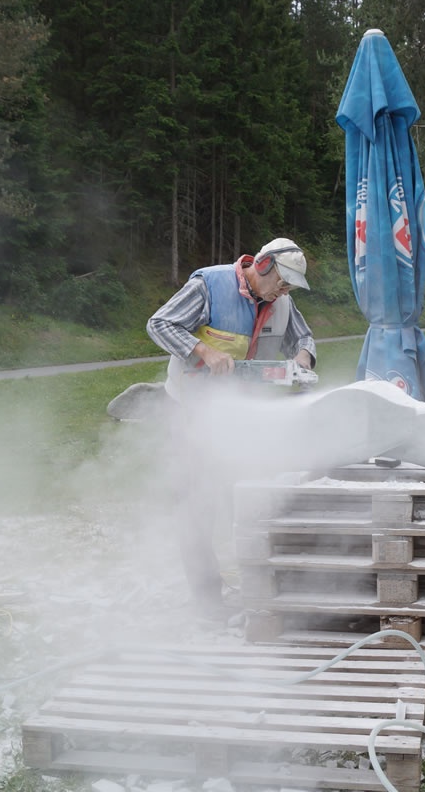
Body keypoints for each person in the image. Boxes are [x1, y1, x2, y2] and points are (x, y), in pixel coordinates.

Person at [145, 237, 317, 612]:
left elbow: (302, 336)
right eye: (282, 282)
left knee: (249, 499)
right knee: (196, 507)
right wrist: (203, 351)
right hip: (191, 413)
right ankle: (208, 602)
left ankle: (260, 590)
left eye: (290, 287)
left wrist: (304, 355)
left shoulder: (281, 301)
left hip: (242, 417)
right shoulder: (210, 285)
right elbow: (159, 324)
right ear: (263, 265)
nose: (284, 292)